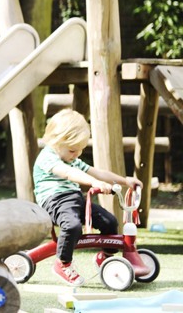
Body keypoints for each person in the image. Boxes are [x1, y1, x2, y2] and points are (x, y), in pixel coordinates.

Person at [33, 109, 143, 286]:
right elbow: (68, 174)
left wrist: (125, 181)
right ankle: (63, 263)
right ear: (56, 141)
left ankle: (106, 257)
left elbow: (97, 172)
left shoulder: (72, 159)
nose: (77, 154)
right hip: (54, 202)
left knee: (110, 222)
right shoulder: (48, 157)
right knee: (72, 226)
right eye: (72, 150)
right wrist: (94, 183)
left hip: (75, 200)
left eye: (80, 150)